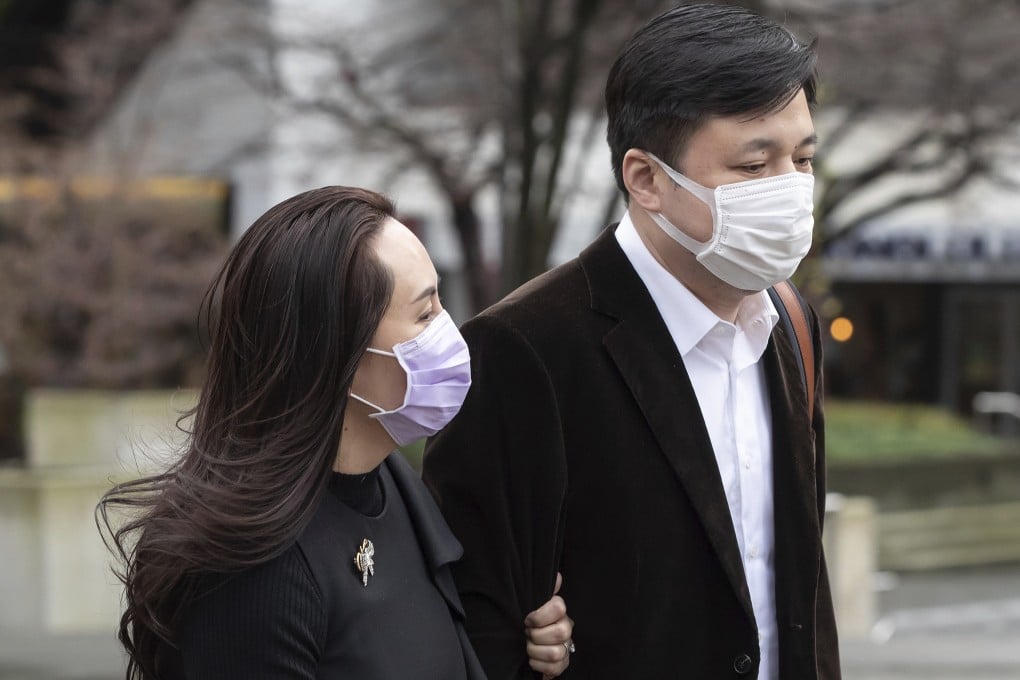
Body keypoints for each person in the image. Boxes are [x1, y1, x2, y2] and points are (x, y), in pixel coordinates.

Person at [422, 4, 840, 679]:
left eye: (803, 159)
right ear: (646, 179)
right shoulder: (524, 349)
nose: (790, 189)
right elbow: (478, 621)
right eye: (753, 165)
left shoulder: (791, 321)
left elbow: (800, 591)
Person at [98, 186, 574, 680]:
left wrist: (523, 647)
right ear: (338, 351)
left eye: (440, 304)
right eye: (425, 314)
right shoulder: (254, 570)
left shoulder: (391, 481)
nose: (449, 334)